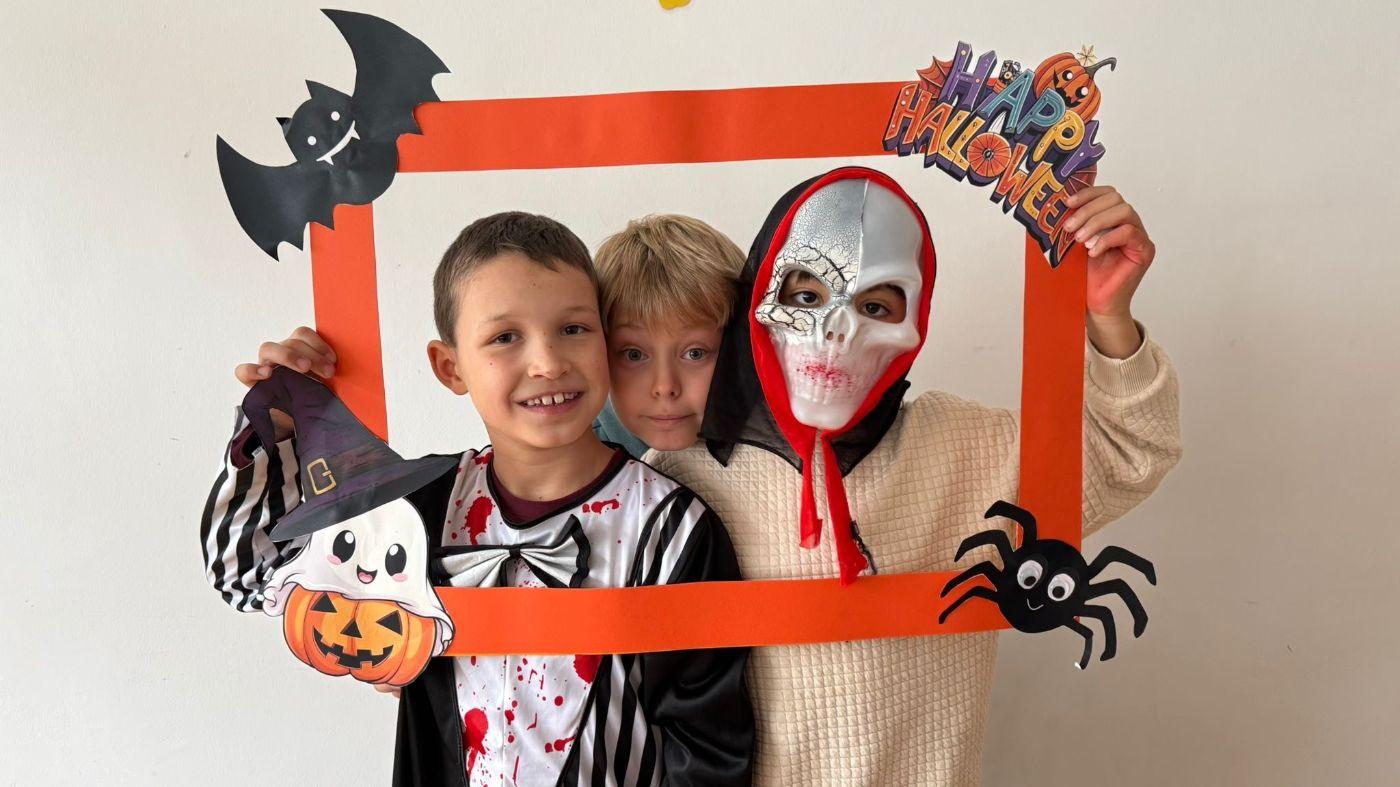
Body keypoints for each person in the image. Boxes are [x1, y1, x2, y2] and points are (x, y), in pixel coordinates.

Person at [645, 166, 1183, 785]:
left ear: (917, 318)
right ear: (762, 300)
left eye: (876, 305)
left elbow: (1129, 452)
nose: (838, 328)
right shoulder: (679, 478)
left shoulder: (968, 450)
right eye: (806, 296)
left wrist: (1109, 315)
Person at [201, 211, 754, 786]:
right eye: (505, 337)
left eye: (573, 329)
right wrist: (280, 427)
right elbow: (247, 573)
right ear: (450, 367)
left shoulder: (675, 527)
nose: (548, 363)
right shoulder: (414, 511)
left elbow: (707, 747)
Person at [590, 214, 747, 457]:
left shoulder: (787, 442)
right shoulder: (575, 452)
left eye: (695, 354)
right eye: (634, 354)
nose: (665, 387)